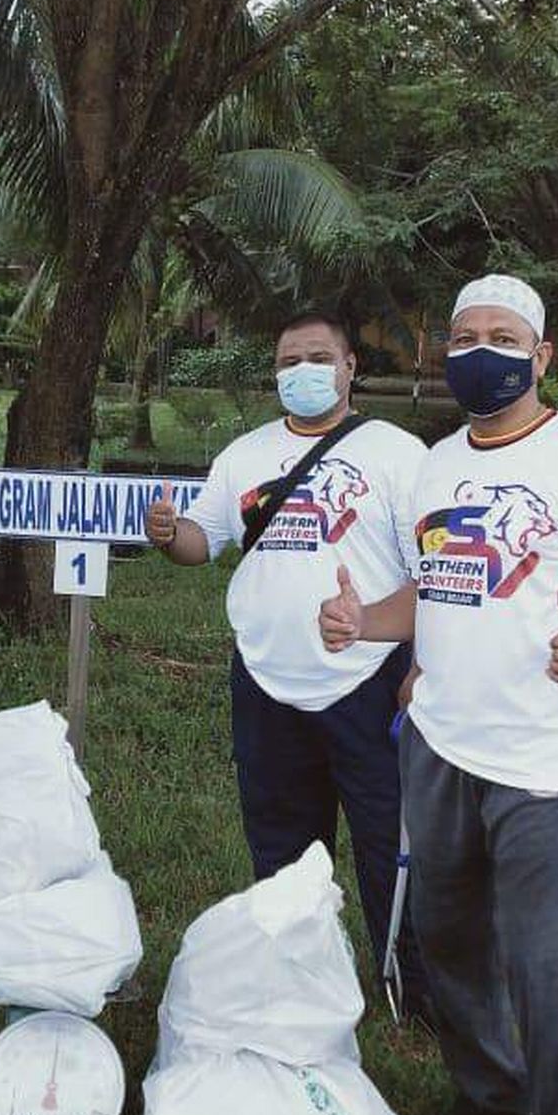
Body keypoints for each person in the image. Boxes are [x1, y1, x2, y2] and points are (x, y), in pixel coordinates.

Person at [318, 273, 558, 1115]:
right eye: (464, 335)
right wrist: (360, 622)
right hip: (440, 742)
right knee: (445, 938)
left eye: (503, 336)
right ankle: (490, 1095)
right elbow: (426, 593)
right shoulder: (433, 468)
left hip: (545, 759)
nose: (480, 351)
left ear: (541, 356)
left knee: (546, 968)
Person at [145, 309, 427, 1000]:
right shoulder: (244, 455)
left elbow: (433, 579)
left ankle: (409, 983)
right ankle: (297, 980)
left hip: (367, 679)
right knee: (281, 845)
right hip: (266, 681)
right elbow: (200, 542)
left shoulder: (397, 453)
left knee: (386, 839)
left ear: (349, 366)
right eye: (287, 360)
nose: (301, 371)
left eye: (317, 357)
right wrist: (166, 532)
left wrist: (418, 667)